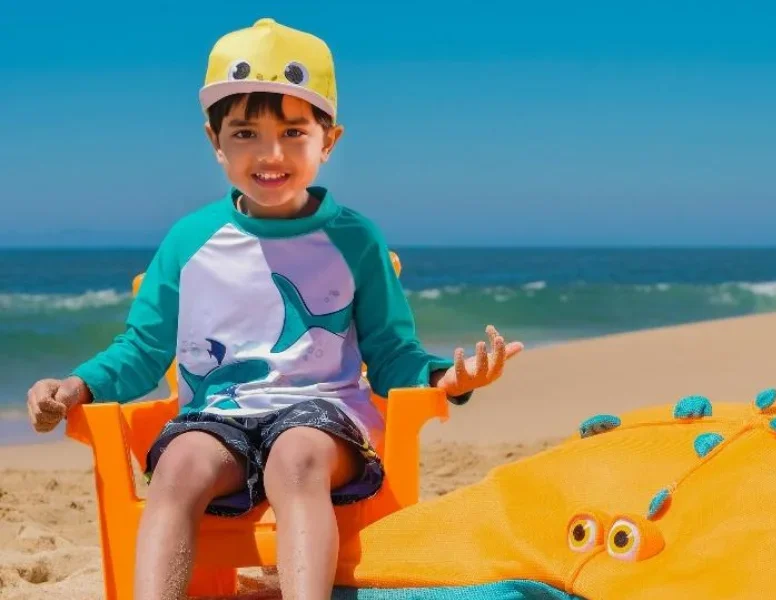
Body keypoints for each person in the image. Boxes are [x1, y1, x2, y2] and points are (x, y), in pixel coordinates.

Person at [24, 17, 523, 600]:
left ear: (327, 140)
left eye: (293, 132)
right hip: (217, 420)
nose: (271, 153)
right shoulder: (189, 243)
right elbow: (140, 350)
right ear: (215, 141)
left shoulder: (355, 241)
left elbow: (390, 354)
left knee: (296, 455)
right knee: (180, 464)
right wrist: (76, 385)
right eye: (244, 134)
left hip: (324, 419)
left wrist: (447, 377)